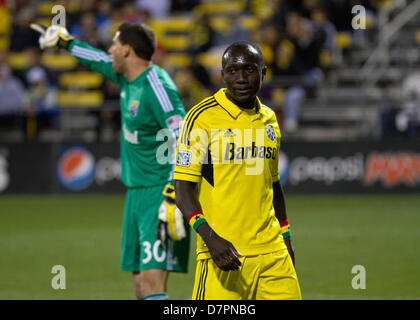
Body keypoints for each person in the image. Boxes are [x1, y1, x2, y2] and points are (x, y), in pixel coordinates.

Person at [31, 22, 190, 300]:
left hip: (159, 193)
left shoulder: (157, 86)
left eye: (114, 45)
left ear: (127, 51)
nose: (110, 51)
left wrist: (173, 192)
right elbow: (97, 59)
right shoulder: (126, 78)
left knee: (154, 285)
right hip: (136, 193)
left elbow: (184, 135)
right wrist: (66, 42)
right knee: (141, 287)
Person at [174, 41, 302, 300]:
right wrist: (211, 240)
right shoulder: (201, 118)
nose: (241, 78)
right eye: (232, 71)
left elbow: (273, 185)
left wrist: (286, 236)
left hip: (273, 254)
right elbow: (183, 190)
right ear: (222, 75)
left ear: (264, 73)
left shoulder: (270, 119)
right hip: (224, 253)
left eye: (250, 70)